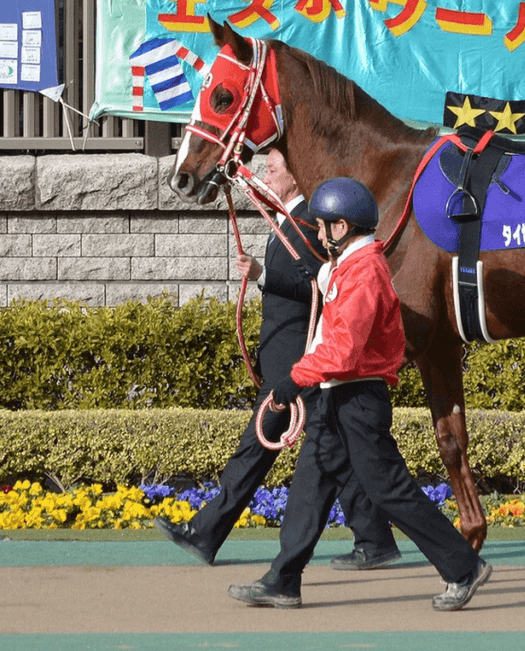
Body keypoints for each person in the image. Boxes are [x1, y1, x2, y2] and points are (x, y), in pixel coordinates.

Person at [226, 177, 491, 612]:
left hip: (357, 399)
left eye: (325, 225)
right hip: (336, 396)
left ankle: (463, 567)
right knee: (309, 487)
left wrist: (295, 378)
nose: (320, 232)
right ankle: (283, 579)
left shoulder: (365, 269)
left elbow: (344, 348)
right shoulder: (351, 263)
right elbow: (323, 291)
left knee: (390, 490)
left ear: (343, 226)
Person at [154, 150, 401, 572]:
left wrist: (262, 275)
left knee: (256, 447)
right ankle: (375, 540)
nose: (266, 172)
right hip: (288, 358)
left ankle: (207, 532)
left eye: (274, 167)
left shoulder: (309, 220)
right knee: (335, 457)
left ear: (295, 175)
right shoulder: (286, 217)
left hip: (298, 361)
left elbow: (320, 285)